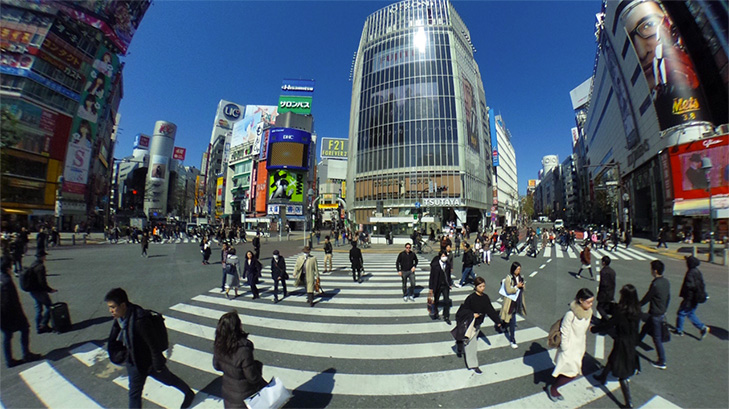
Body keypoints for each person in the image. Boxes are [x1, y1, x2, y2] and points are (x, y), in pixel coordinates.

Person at [105, 288, 195, 409]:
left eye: (113, 307)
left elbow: (153, 345)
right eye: (109, 307)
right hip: (134, 362)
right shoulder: (120, 318)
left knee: (169, 380)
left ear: (123, 305)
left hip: (150, 363)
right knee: (134, 395)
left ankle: (188, 393)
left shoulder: (139, 320)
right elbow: (113, 339)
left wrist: (158, 365)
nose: (110, 311)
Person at [592, 285, 641, 409]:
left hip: (622, 342)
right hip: (631, 341)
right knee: (612, 358)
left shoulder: (621, 311)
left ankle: (628, 403)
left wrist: (594, 329)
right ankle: (603, 377)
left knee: (622, 373)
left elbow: (609, 324)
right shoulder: (637, 310)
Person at [547, 288, 594, 402]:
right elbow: (565, 330)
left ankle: (554, 386)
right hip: (569, 347)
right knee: (572, 373)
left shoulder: (588, 313)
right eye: (588, 302)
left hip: (579, 347)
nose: (591, 304)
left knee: (569, 371)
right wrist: (565, 347)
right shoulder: (571, 314)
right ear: (581, 300)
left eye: (592, 301)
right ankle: (553, 388)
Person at [213, 311, 267, 408]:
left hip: (228, 391)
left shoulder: (218, 345)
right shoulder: (243, 350)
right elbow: (252, 377)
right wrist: (258, 366)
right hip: (245, 395)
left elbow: (216, 366)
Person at [452, 277, 503, 373]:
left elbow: (490, 310)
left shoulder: (485, 298)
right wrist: (472, 314)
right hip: (470, 324)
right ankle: (473, 365)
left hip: (478, 324)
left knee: (468, 341)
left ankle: (460, 345)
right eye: (480, 286)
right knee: (472, 345)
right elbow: (462, 311)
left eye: (484, 286)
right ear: (475, 287)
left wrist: (497, 321)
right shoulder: (471, 298)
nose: (482, 288)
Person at [1, 257, 41, 367]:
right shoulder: (7, 281)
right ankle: (26, 354)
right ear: (8, 268)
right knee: (25, 329)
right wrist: (20, 315)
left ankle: (9, 360)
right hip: (11, 314)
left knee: (7, 337)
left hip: (2, 315)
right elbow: (13, 301)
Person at [638, 260, 670, 370]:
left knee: (657, 338)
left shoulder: (655, 284)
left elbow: (648, 297)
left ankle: (662, 361)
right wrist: (665, 308)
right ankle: (635, 342)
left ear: (655, 271)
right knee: (645, 328)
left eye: (651, 269)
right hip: (659, 312)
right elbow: (668, 297)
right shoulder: (666, 282)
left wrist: (639, 304)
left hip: (655, 313)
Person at [674, 256, 709, 338]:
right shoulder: (698, 272)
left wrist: (685, 294)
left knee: (681, 313)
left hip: (689, 298)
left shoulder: (690, 273)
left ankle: (679, 330)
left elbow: (690, 286)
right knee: (690, 313)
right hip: (696, 298)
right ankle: (702, 327)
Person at [27, 251, 56, 334]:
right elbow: (42, 282)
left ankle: (38, 327)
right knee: (50, 307)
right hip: (40, 291)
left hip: (32, 290)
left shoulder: (33, 264)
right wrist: (50, 290)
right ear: (42, 257)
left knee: (39, 309)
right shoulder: (40, 267)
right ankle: (43, 325)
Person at [500, 262, 526, 349]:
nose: (519, 271)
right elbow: (508, 290)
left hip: (517, 301)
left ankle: (503, 325)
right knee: (512, 320)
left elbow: (524, 288)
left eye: (519, 269)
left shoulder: (521, 277)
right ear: (513, 269)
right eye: (517, 269)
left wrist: (522, 285)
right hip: (510, 302)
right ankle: (512, 339)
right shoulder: (509, 278)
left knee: (510, 318)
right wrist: (516, 287)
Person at [428, 250, 453, 325]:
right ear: (439, 257)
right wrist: (431, 287)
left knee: (447, 301)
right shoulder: (435, 265)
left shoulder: (447, 265)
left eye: (445, 256)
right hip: (437, 285)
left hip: (445, 285)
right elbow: (431, 276)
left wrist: (450, 283)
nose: (444, 257)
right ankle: (435, 313)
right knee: (436, 300)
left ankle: (446, 316)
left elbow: (448, 275)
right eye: (442, 256)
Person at [596, 256, 616, 322]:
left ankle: (607, 320)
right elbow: (613, 283)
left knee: (599, 307)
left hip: (604, 294)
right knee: (605, 308)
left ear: (604, 262)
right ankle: (603, 321)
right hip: (611, 293)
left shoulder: (603, 271)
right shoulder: (613, 271)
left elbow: (603, 284)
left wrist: (599, 294)